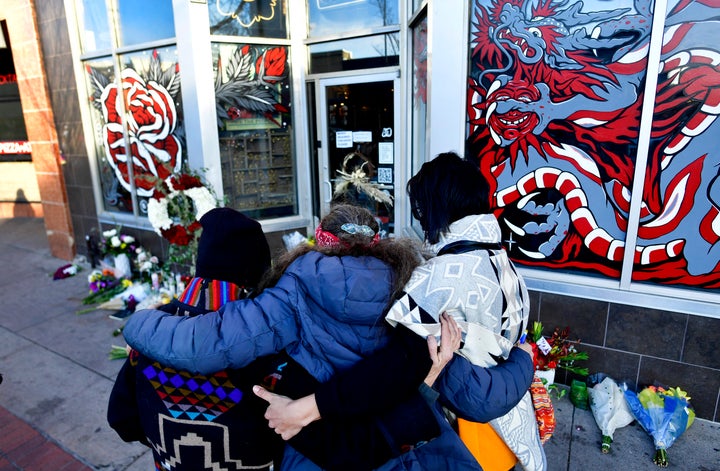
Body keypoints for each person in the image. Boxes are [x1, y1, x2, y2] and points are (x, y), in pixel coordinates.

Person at [123, 203, 535, 470]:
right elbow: (481, 398)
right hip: (393, 449)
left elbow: (204, 344)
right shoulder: (417, 293)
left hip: (317, 454)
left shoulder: (293, 289)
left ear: (321, 242)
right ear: (380, 244)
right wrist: (524, 359)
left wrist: (139, 323)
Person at [258, 152, 544, 470]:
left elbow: (392, 370)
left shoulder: (439, 277)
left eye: (420, 207)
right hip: (504, 438)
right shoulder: (507, 266)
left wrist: (308, 409)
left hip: (452, 436)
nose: (419, 219)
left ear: (435, 206)